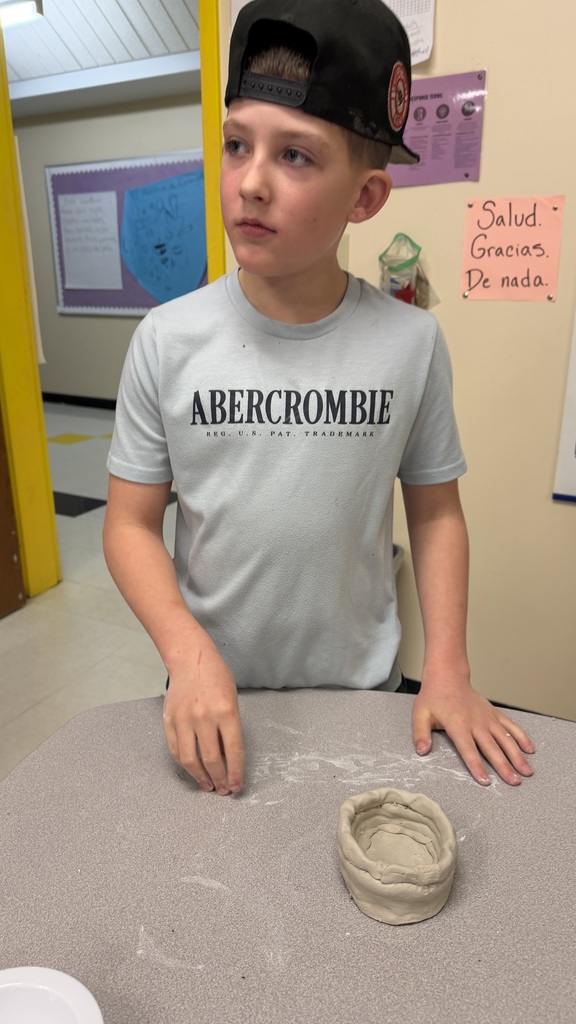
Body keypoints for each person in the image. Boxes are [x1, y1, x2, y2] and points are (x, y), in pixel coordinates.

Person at [103, 0, 534, 797]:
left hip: (361, 696)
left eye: (295, 157)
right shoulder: (165, 341)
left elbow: (437, 514)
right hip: (211, 696)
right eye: (237, 145)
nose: (251, 182)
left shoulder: (410, 345)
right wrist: (187, 656)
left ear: (364, 199)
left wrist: (449, 667)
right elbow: (129, 524)